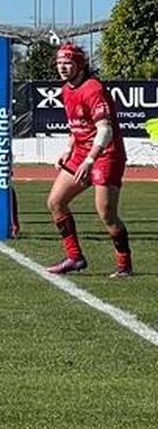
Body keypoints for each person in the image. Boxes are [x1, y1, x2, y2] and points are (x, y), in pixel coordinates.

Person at [45, 42, 131, 277]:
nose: (62, 67)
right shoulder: (66, 89)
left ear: (79, 65)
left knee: (106, 213)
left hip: (106, 154)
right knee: (55, 202)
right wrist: (68, 149)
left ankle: (124, 265)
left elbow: (105, 130)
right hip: (82, 153)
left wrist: (90, 159)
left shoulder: (93, 88)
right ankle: (74, 257)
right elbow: (76, 126)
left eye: (68, 63)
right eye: (59, 63)